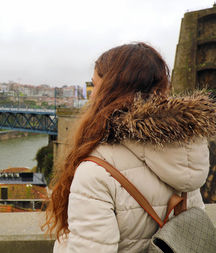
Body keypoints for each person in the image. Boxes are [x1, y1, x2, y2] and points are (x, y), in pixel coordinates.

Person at [44, 42, 216, 252]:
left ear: (110, 92)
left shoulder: (97, 170)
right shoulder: (185, 153)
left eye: (95, 85)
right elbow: (193, 230)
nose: (91, 96)